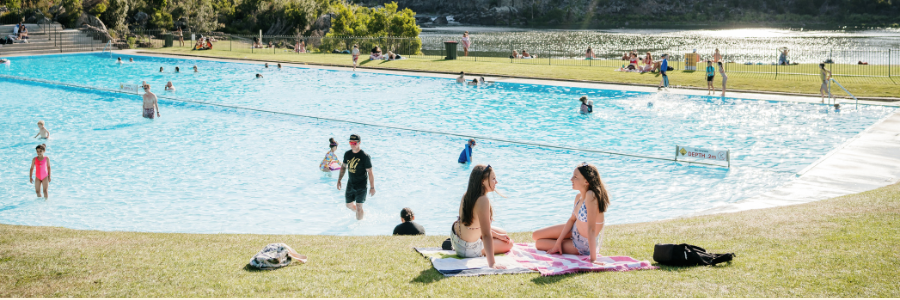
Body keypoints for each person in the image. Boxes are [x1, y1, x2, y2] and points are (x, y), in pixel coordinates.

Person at [531, 163, 609, 263]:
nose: (571, 179)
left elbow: (591, 229)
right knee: (535, 235)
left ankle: (564, 243)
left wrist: (593, 259)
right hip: (574, 230)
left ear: (586, 181)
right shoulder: (578, 197)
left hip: (582, 244)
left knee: (539, 244)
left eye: (575, 177)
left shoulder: (591, 196)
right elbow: (572, 219)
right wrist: (558, 242)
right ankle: (560, 242)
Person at [450, 165, 513, 268]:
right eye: (493, 179)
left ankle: (454, 244)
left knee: (503, 233)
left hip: (456, 237)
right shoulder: (483, 200)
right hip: (468, 250)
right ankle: (481, 249)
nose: (496, 182)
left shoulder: (467, 195)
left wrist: (497, 235)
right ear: (483, 181)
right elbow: (486, 234)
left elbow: (472, 225)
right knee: (509, 244)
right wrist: (492, 264)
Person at [337, 134, 375, 220]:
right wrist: (339, 179)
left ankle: (359, 227)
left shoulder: (365, 156)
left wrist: (372, 187)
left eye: (354, 143)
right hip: (350, 183)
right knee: (348, 205)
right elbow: (343, 166)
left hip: (361, 185)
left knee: (358, 206)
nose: (352, 145)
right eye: (350, 142)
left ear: (359, 143)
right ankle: (362, 213)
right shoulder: (347, 154)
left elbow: (370, 172)